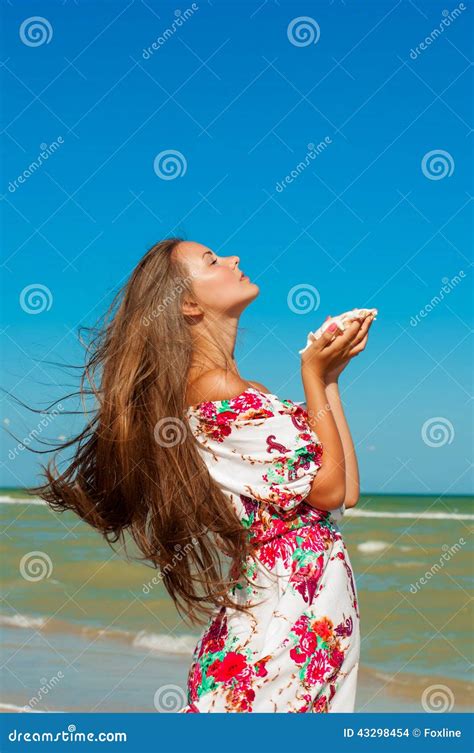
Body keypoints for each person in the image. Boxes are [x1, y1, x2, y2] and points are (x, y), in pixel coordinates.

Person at [33, 238, 375, 713]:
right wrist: (312, 377)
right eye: (212, 261)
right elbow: (332, 489)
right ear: (189, 304)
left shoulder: (243, 389)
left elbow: (345, 492)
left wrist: (330, 378)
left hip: (305, 613)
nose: (234, 258)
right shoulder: (215, 389)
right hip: (280, 628)